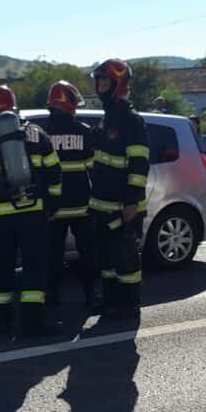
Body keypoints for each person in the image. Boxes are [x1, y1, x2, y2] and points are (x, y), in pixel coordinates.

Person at [0, 86, 62, 336]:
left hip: (2, 219)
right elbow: (55, 172)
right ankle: (33, 323)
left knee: (2, 269)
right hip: (35, 214)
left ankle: (2, 322)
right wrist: (52, 205)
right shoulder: (37, 133)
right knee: (34, 268)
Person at [89, 59, 149, 320]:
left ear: (118, 84)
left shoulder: (131, 120)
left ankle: (129, 305)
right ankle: (111, 302)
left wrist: (132, 202)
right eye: (98, 80)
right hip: (103, 204)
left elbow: (139, 164)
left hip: (124, 206)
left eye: (104, 81)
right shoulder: (108, 117)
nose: (99, 85)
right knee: (107, 261)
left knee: (127, 259)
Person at [43, 80, 97, 307]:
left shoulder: (41, 134)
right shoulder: (83, 132)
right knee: (88, 255)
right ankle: (91, 297)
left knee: (52, 257)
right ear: (70, 104)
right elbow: (93, 167)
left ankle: (52, 299)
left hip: (52, 208)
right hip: (81, 206)